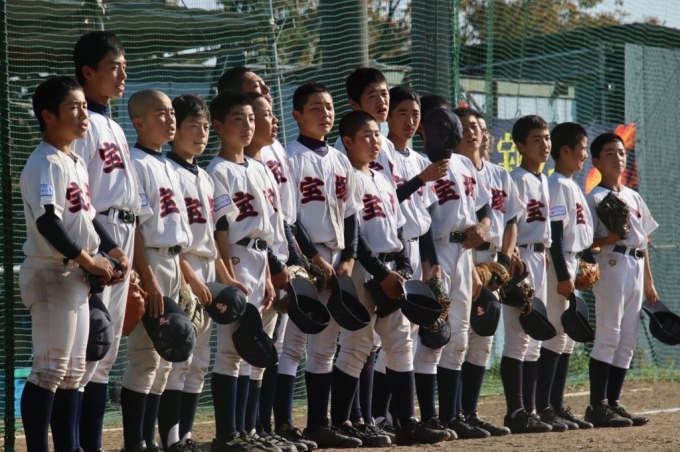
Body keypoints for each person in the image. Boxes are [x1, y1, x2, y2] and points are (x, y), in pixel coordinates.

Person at [20, 75, 125, 452]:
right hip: (51, 273)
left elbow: (89, 216)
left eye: (84, 106)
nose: (83, 114)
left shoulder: (73, 160)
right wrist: (89, 260)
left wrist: (113, 251)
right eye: (73, 107)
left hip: (73, 276)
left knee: (73, 374)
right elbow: (49, 222)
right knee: (49, 370)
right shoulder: (45, 161)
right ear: (48, 115)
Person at [333, 110, 450, 446]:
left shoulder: (384, 180)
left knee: (400, 344)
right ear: (348, 142)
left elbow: (399, 230)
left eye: (376, 134)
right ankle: (341, 423)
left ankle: (406, 423)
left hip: (392, 271)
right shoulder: (348, 178)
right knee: (357, 345)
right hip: (364, 271)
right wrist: (383, 273)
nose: (374, 141)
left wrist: (404, 270)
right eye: (366, 136)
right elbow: (354, 237)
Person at [281, 82, 363, 448]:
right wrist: (313, 258)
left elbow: (352, 215)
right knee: (292, 344)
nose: (324, 113)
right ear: (297, 115)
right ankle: (283, 424)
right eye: (315, 107)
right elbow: (289, 218)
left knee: (326, 346)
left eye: (328, 107)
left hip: (337, 258)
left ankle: (318, 424)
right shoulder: (290, 157)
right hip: (302, 259)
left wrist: (349, 258)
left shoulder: (341, 159)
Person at [164, 94, 247, 451]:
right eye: (192, 126)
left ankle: (184, 438)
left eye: (203, 126)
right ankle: (170, 440)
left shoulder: (204, 176)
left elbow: (215, 233)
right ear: (174, 130)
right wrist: (192, 278)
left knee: (198, 363)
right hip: (180, 268)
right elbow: (169, 239)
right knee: (176, 361)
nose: (200, 133)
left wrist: (225, 275)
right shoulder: (167, 173)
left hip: (206, 266)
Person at [71, 31, 140, 452]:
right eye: (114, 67)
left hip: (122, 236)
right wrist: (107, 248)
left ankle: (91, 445)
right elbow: (81, 198)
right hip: (99, 237)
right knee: (87, 350)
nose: (122, 75)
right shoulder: (82, 125)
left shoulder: (113, 124)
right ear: (88, 71)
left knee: (105, 355)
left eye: (124, 67)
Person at [207, 91, 280, 452]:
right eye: (238, 118)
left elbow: (269, 229)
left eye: (251, 118)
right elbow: (219, 228)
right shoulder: (217, 171)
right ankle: (228, 435)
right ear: (218, 126)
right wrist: (225, 273)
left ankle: (250, 432)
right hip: (235, 257)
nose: (247, 125)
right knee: (232, 350)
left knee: (257, 352)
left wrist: (266, 274)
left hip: (260, 258)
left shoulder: (261, 169)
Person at [122, 89, 191, 452]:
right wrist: (147, 278)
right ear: (139, 122)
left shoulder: (167, 164)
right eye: (161, 113)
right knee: (145, 356)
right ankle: (135, 442)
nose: (170, 119)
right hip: (150, 260)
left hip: (172, 261)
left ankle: (149, 441)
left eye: (171, 113)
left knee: (165, 361)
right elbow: (134, 227)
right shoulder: (135, 162)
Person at [453, 107, 522, 437]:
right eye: (466, 126)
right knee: (457, 340)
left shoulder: (499, 174)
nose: (473, 132)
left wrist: (504, 263)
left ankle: (469, 412)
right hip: (462, 258)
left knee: (482, 340)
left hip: (492, 262)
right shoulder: (452, 169)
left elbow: (511, 221)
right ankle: (451, 413)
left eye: (478, 126)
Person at [584, 132, 659, 428]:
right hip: (611, 263)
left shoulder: (633, 196)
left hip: (636, 266)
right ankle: (597, 405)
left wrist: (649, 282)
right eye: (610, 153)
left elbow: (643, 242)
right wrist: (610, 237)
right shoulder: (594, 198)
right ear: (596, 161)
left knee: (627, 339)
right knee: (609, 334)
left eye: (621, 153)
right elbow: (585, 240)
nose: (618, 158)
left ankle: (613, 403)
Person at [535, 122, 594, 430]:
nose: (585, 154)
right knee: (555, 336)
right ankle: (544, 406)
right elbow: (555, 236)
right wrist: (562, 274)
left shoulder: (570, 184)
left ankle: (555, 406)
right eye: (582, 148)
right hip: (559, 265)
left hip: (571, 261)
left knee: (566, 340)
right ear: (565, 150)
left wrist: (587, 262)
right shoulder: (557, 183)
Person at [500, 115, 553, 434]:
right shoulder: (516, 178)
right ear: (520, 146)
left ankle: (530, 410)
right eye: (536, 139)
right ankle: (516, 411)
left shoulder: (543, 179)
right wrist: (510, 256)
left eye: (547, 138)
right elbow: (508, 222)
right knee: (518, 337)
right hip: (519, 261)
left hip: (540, 257)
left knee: (535, 338)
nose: (544, 144)